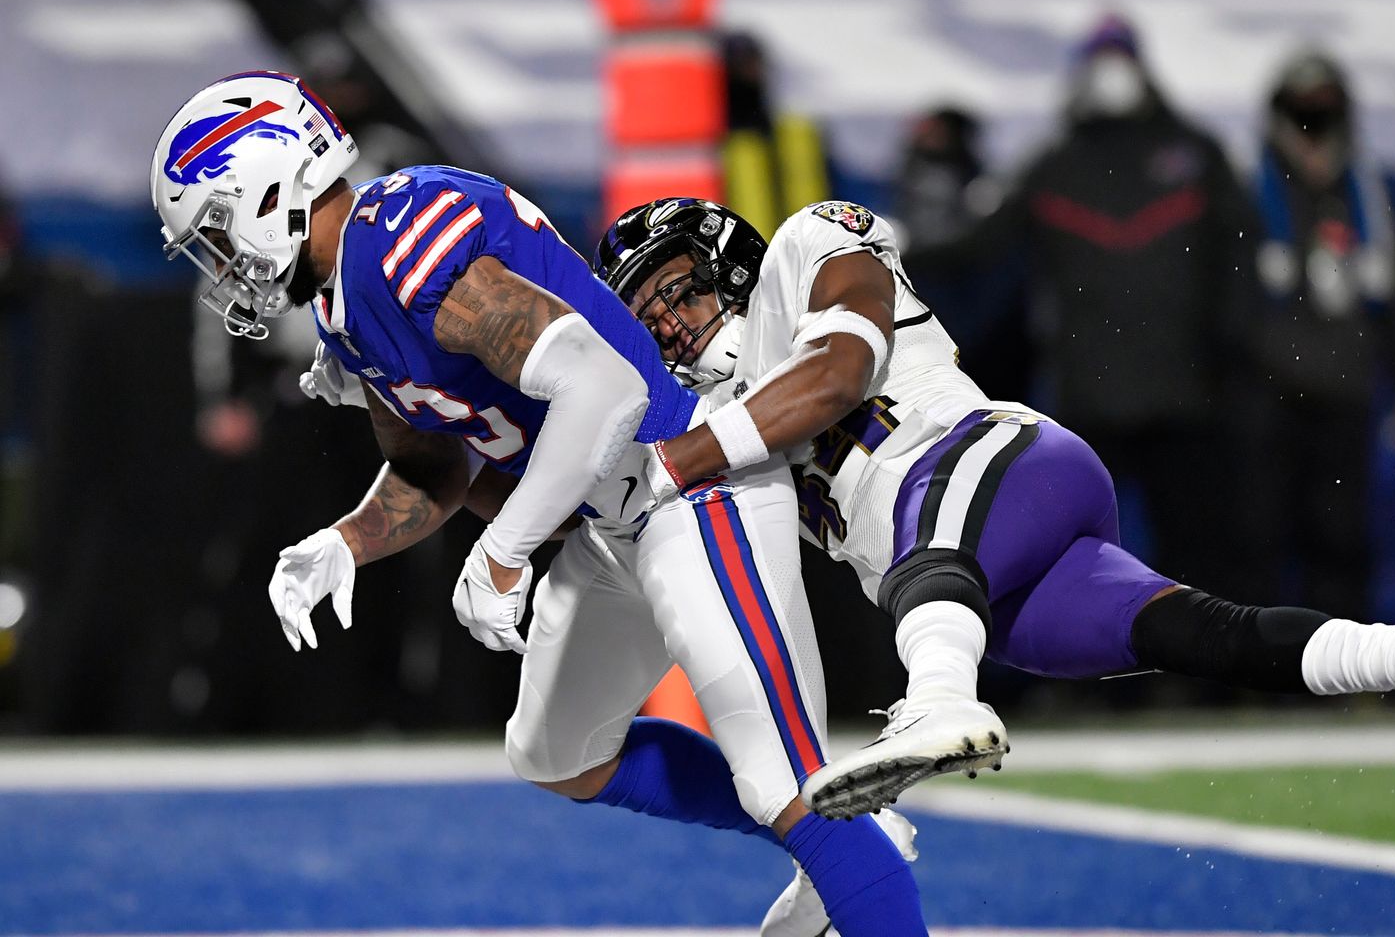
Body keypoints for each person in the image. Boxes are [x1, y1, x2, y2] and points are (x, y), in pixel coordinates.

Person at [149, 71, 927, 937]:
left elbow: (605, 388)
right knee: (557, 752)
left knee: (784, 782)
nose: (221, 267)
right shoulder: (346, 303)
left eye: (216, 234)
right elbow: (432, 468)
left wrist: (505, 552)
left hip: (694, 489)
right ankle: (836, 838)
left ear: (268, 187)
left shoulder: (400, 238)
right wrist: (346, 542)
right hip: (614, 521)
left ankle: (836, 842)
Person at [590, 195, 1395, 820]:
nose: (670, 321)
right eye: (648, 315)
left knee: (924, 548)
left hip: (996, 470)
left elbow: (840, 373)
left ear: (723, 258)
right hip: (987, 598)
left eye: (674, 289)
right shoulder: (705, 417)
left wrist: (674, 462)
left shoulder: (805, 250)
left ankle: (936, 707)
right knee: (1208, 635)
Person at [982, 13, 1260, 592]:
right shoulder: (1051, 167)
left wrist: (1232, 353)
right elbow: (983, 252)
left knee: (1193, 537)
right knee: (1081, 543)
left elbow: (1238, 262)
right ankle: (1094, 679)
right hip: (1089, 394)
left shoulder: (1196, 154)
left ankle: (1193, 674)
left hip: (1184, 390)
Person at [1240, 50, 1395, 620]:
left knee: (1342, 536)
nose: (1313, 133)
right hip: (1265, 394)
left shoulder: (1369, 193)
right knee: (1258, 534)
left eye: (1323, 117)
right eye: (1301, 117)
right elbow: (1220, 301)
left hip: (1345, 391)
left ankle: (1342, 678)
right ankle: (1262, 676)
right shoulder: (1250, 190)